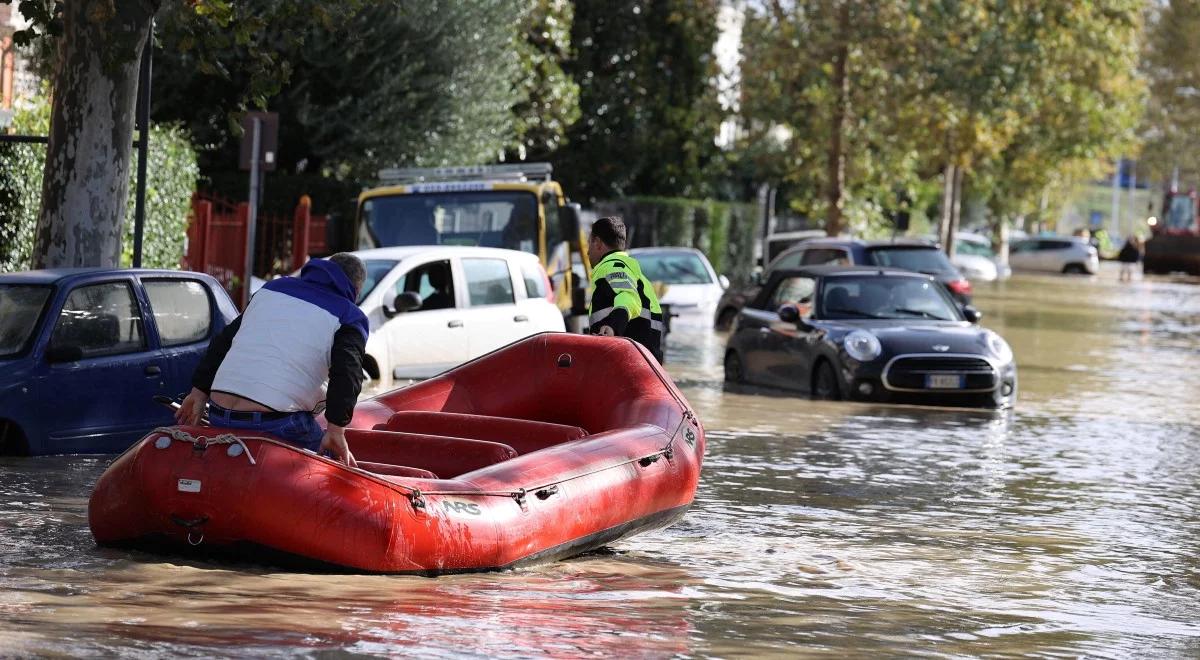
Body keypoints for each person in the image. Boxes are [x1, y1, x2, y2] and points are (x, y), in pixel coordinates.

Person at [175, 253, 370, 466]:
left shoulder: (272, 289)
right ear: (357, 290)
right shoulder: (350, 316)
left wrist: (198, 392)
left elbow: (224, 341)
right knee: (334, 466)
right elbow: (348, 373)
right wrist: (335, 429)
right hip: (275, 423)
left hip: (219, 414)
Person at [587, 216, 664, 362]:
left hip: (624, 363)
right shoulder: (640, 279)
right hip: (646, 366)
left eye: (589, 244)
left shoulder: (612, 266)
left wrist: (612, 327)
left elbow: (628, 298)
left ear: (597, 243)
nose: (587, 252)